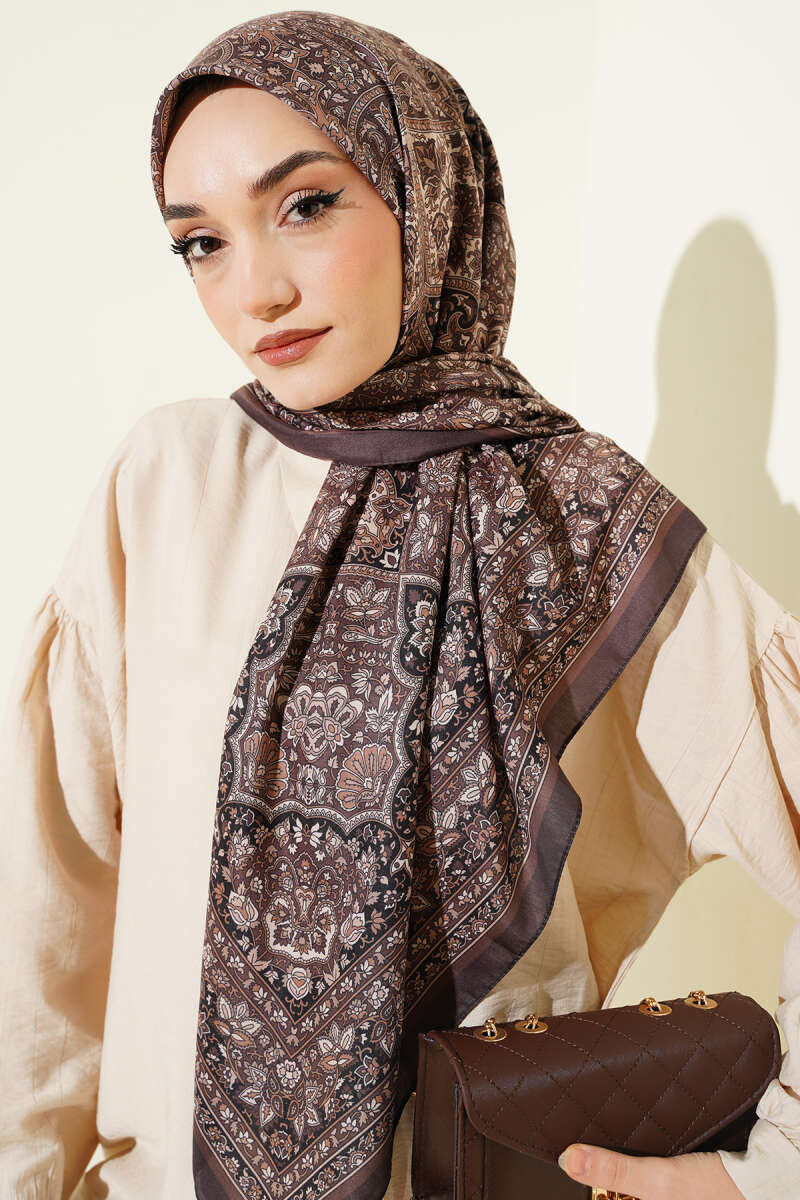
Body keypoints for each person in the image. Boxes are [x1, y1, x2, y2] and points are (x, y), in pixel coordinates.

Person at [1, 10, 798, 1200]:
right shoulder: (167, 481)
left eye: (306, 204)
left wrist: (763, 1173)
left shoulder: (579, 519)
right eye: (200, 243)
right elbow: (44, 905)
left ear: (428, 191)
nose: (256, 289)